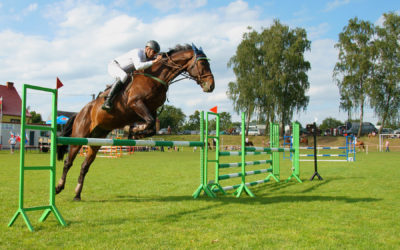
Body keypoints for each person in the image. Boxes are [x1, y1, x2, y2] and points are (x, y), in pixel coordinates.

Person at [102, 40, 163, 111]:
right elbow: (138, 67)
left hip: (124, 71)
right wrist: (154, 61)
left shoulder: (147, 57)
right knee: (123, 76)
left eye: (156, 53)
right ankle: (107, 101)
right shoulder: (138, 52)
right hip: (114, 66)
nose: (154, 55)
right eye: (154, 52)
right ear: (147, 49)